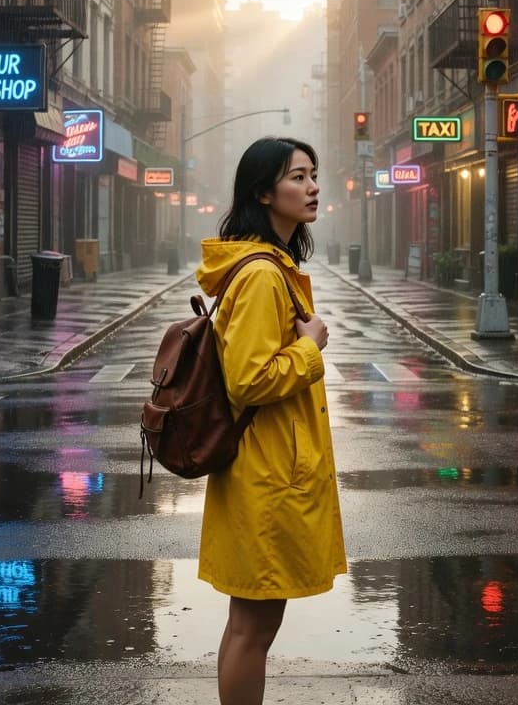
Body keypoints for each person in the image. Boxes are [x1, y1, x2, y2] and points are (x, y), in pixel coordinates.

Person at [195, 136, 347, 705]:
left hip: (268, 466)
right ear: (263, 192)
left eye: (313, 175)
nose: (312, 188)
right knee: (252, 629)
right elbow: (249, 379)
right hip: (267, 471)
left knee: (252, 624)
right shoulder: (261, 275)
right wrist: (310, 347)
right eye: (297, 178)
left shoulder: (269, 265)